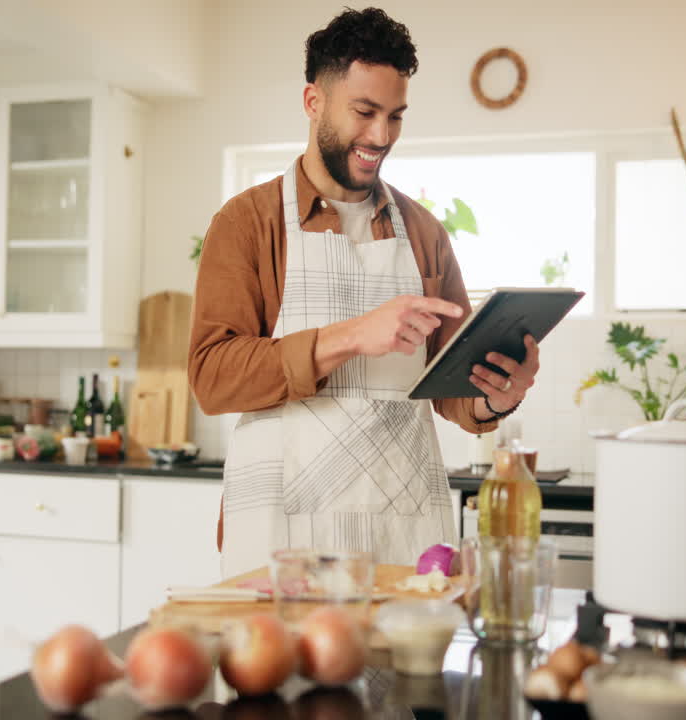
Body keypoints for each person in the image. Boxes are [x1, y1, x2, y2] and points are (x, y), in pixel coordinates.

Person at [189, 7, 542, 578]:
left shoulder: (423, 231)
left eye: (396, 116)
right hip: (282, 537)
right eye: (365, 112)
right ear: (314, 102)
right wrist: (353, 335)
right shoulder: (247, 223)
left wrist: (500, 393)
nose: (382, 136)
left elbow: (454, 393)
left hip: (401, 532)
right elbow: (212, 376)